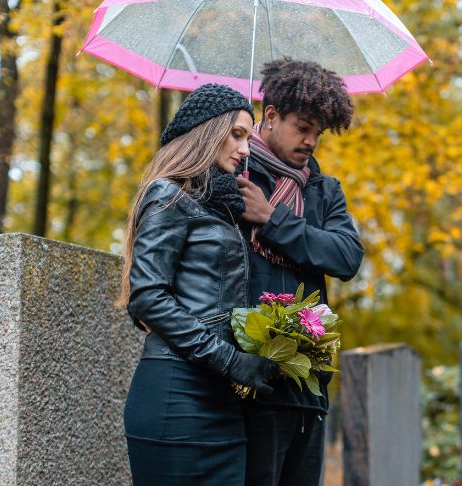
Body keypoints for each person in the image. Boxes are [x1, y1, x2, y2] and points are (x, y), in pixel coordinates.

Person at [117, 83, 279, 485]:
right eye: (238, 134)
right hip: (176, 397)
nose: (246, 149)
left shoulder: (221, 207)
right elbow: (148, 297)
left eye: (249, 135)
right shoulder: (168, 194)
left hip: (221, 401)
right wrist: (230, 360)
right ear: (207, 132)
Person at [236, 58, 364, 485]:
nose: (311, 141)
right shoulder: (234, 175)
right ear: (270, 116)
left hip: (309, 382)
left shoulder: (324, 190)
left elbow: (346, 256)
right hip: (248, 377)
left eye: (318, 133)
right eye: (303, 128)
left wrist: (273, 221)